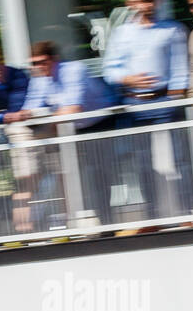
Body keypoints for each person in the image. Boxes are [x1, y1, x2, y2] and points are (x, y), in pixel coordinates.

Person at [8, 41, 117, 232]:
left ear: (54, 59)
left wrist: (41, 116)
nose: (38, 67)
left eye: (42, 62)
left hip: (100, 124)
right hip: (71, 129)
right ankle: (83, 222)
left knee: (101, 176)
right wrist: (23, 115)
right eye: (33, 64)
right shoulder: (38, 78)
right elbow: (30, 109)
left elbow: (73, 109)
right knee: (76, 177)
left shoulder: (74, 70)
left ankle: (109, 224)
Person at [103, 0, 191, 226]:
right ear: (130, 3)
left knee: (176, 160)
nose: (145, 4)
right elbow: (109, 70)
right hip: (134, 105)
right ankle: (152, 217)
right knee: (143, 164)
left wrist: (174, 99)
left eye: (149, 0)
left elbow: (181, 69)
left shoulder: (172, 29)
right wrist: (127, 78)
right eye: (140, 0)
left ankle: (184, 213)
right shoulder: (121, 33)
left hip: (164, 101)